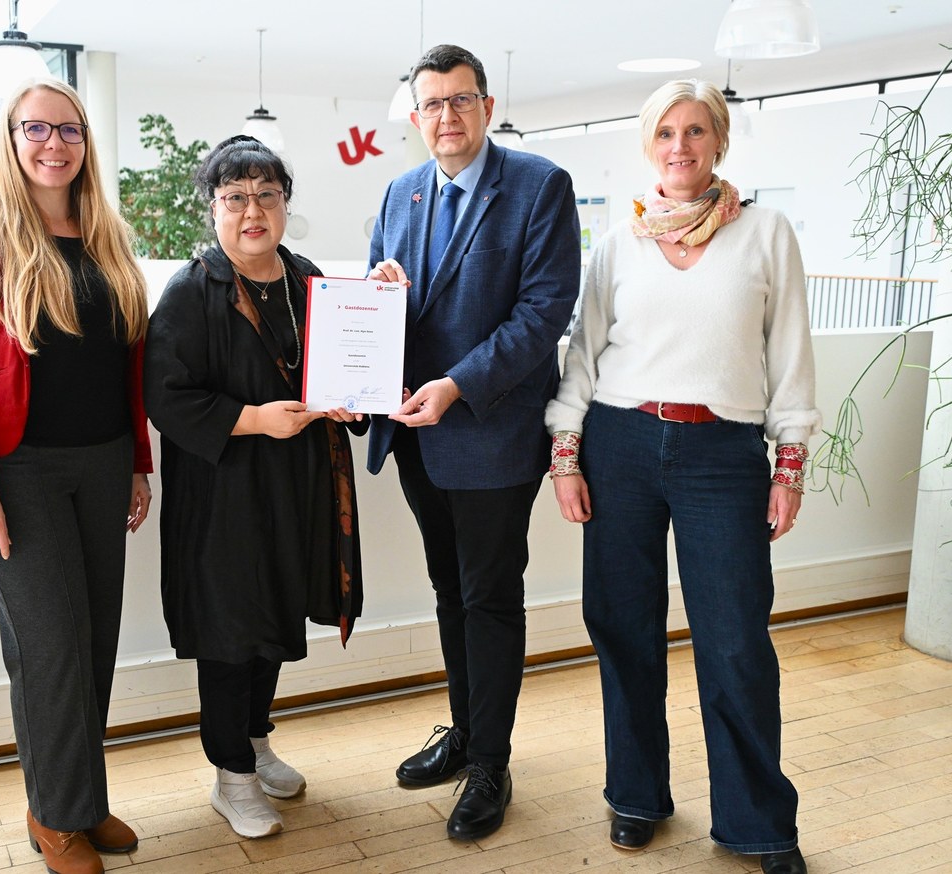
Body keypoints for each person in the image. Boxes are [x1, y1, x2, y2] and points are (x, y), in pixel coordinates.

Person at [545, 79, 818, 874]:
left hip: (721, 454)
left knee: (734, 643)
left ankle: (756, 823)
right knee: (623, 630)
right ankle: (634, 794)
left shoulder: (766, 233)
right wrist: (567, 453)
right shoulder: (618, 241)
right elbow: (583, 354)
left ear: (718, 143)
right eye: (664, 131)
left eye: (695, 131)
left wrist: (789, 464)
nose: (679, 145)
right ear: (647, 144)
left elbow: (792, 356)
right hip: (618, 444)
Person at [0, 78, 151, 874]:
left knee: (93, 644)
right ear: (12, 138)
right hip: (16, 473)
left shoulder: (105, 237)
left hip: (100, 465)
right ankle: (54, 815)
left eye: (70, 129)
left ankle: (79, 802)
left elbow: (126, 362)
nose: (54, 143)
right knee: (50, 647)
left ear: (86, 142)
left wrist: (136, 461)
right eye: (37, 128)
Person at [366, 44, 582, 841]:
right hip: (415, 433)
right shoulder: (400, 192)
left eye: (460, 101)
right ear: (414, 115)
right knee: (448, 591)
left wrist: (455, 384)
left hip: (488, 432)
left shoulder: (537, 186)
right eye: (430, 104)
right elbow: (378, 301)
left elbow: (541, 315)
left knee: (489, 596)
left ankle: (491, 761)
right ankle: (462, 732)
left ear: (486, 108)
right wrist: (380, 301)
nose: (445, 117)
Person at [143, 135, 365, 840]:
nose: (251, 211)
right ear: (211, 207)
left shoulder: (307, 280)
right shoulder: (190, 292)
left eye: (266, 195)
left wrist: (350, 397)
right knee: (229, 630)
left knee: (272, 617)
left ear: (284, 206)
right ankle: (229, 774)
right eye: (235, 196)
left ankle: (257, 742)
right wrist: (252, 419)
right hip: (223, 496)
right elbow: (167, 398)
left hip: (292, 486)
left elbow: (335, 367)